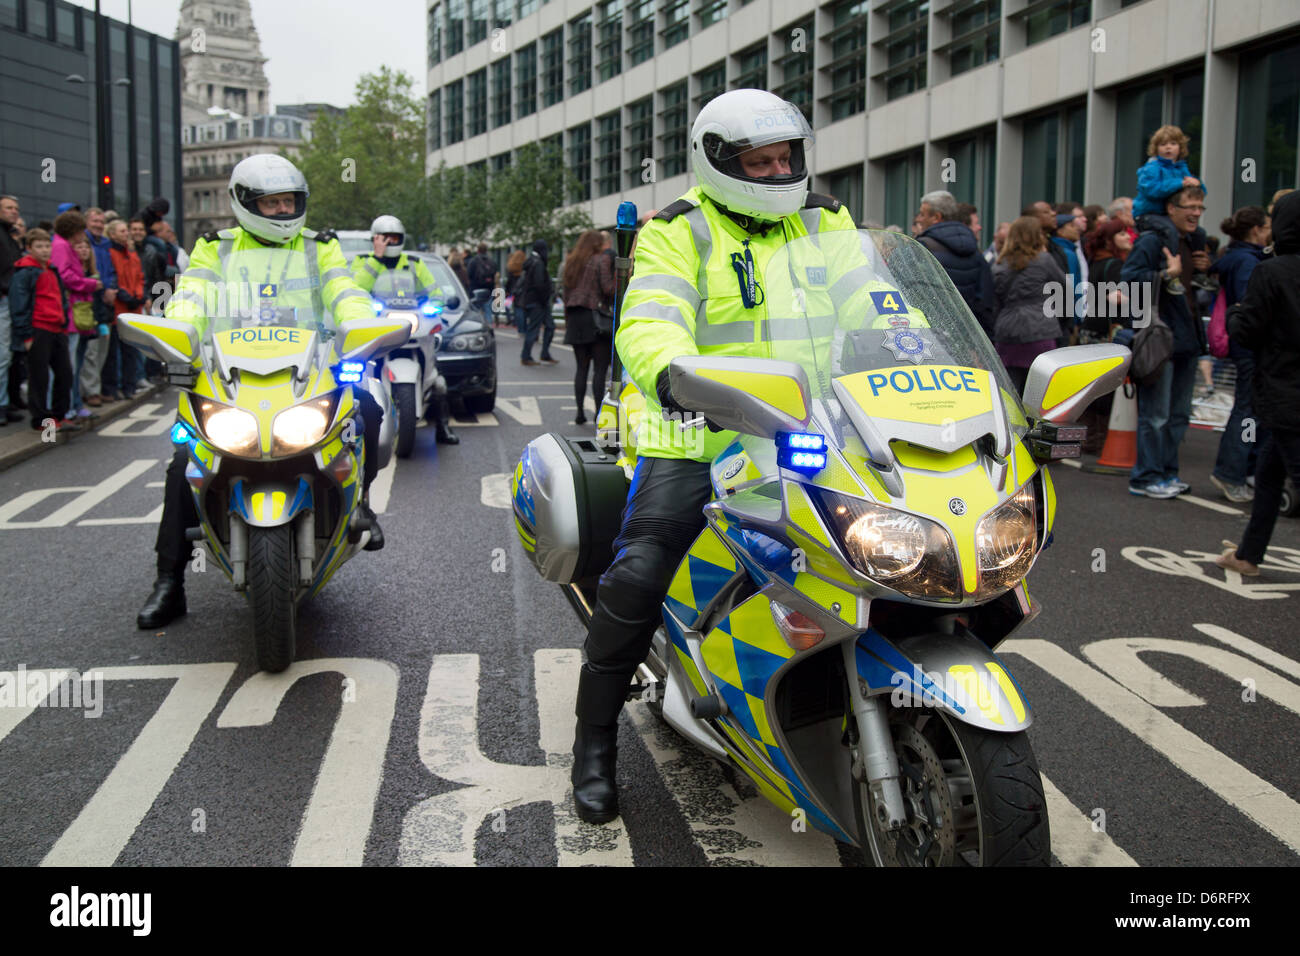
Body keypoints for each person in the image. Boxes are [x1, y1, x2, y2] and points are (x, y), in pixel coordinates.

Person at [569, 88, 860, 826]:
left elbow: (881, 305)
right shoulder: (680, 232)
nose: (774, 171)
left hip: (817, 427)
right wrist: (671, 373)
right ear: (718, 162)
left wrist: (917, 352)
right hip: (699, 430)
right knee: (642, 567)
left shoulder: (826, 220)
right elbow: (651, 321)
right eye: (758, 161)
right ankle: (594, 740)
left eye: (783, 158)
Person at [136, 154, 386, 630]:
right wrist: (177, 335)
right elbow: (193, 295)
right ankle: (169, 581)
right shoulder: (216, 248)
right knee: (182, 460)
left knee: (368, 409)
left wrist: (360, 324)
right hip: (233, 373)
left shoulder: (321, 247)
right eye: (270, 203)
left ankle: (362, 504)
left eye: (287, 201)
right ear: (246, 203)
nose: (280, 210)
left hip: (307, 367)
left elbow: (344, 291)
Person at [1215, 191, 1300, 576]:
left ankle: (1248, 555)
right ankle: (1248, 555)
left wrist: (1234, 313)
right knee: (1268, 475)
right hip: (1287, 397)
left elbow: (1247, 332)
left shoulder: (1274, 271)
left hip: (1285, 393)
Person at [1119, 184, 1210, 499]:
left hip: (1187, 339)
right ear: (1171, 209)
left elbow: (1193, 291)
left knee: (1179, 414)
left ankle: (1168, 473)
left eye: (1201, 207)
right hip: (1160, 338)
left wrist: (1203, 271)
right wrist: (1165, 274)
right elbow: (1129, 280)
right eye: (1191, 206)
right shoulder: (1152, 240)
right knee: (1155, 415)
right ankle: (1145, 477)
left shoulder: (1191, 243)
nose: (1196, 213)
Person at [350, 214, 459, 444]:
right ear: (375, 239)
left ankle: (443, 428)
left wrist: (436, 304)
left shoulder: (414, 264)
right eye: (385, 237)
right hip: (380, 326)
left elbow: (435, 292)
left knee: (437, 377)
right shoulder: (363, 262)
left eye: (394, 237)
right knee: (354, 375)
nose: (390, 242)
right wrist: (376, 259)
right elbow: (355, 291)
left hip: (413, 324)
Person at [1208, 206, 1271, 503]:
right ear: (1256, 230)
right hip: (1248, 346)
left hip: (1242, 344)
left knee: (1248, 408)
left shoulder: (1239, 257)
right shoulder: (1247, 261)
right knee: (1247, 409)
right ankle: (1230, 473)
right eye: (1268, 225)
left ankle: (1237, 471)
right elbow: (1250, 305)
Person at [7, 229, 77, 432]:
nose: (45, 250)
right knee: (39, 377)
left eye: (47, 246)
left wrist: (63, 321)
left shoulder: (52, 269)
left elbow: (60, 298)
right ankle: (41, 420)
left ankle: (59, 415)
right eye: (39, 246)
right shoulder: (25, 272)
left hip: (57, 328)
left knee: (65, 373)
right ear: (29, 249)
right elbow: (18, 305)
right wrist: (26, 334)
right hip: (38, 328)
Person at [992, 216, 1068, 393]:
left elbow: (995, 304)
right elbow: (1064, 288)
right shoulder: (1044, 260)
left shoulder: (998, 265)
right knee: (1041, 390)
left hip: (1007, 330)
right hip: (1041, 328)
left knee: (1010, 389)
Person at [1133, 126, 1212, 291]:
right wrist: (1180, 183)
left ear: (1180, 148)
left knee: (1200, 233)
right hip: (1149, 213)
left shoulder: (1181, 168)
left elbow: (1195, 191)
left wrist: (1198, 185)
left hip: (1166, 214)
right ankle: (1169, 270)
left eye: (1173, 143)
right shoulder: (1151, 169)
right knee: (1169, 231)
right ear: (1156, 149)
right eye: (1163, 144)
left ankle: (1199, 274)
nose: (1168, 147)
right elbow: (1152, 190)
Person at [913, 190, 995, 337]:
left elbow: (912, 295)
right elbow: (984, 302)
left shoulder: (921, 248)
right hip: (965, 338)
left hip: (932, 337)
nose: (919, 219)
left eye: (922, 214)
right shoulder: (975, 250)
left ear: (936, 217)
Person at [561, 230, 615, 425]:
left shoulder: (571, 262)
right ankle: (598, 413)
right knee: (600, 371)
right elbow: (609, 288)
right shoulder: (600, 260)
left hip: (575, 319)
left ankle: (579, 412)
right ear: (596, 244)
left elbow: (565, 294)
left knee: (581, 369)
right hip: (595, 319)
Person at [0, 194, 24, 426]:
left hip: (12, 300)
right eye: (8, 208)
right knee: (2, 356)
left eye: (15, 208)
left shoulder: (9, 235)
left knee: (10, 356)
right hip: (3, 299)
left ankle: (8, 402)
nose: (13, 211)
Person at [517, 238, 556, 366]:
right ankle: (526, 355)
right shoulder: (538, 263)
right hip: (538, 302)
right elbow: (539, 284)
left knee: (548, 326)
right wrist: (545, 297)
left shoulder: (531, 261)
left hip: (533, 301)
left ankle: (543, 353)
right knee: (535, 329)